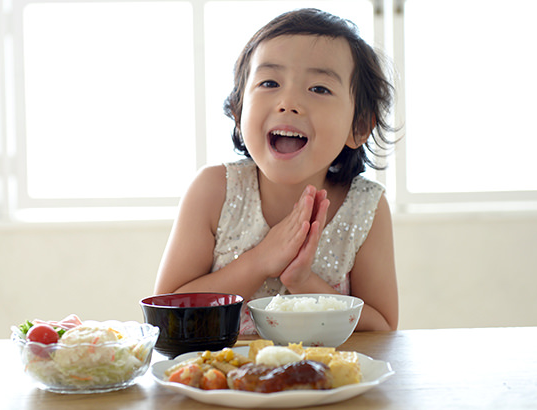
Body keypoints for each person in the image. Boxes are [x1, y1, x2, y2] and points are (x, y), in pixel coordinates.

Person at [154, 8, 399, 333]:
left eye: (319, 88)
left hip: (321, 381)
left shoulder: (365, 207)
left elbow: (381, 328)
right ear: (239, 111)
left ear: (359, 126)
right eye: (270, 82)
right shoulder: (213, 190)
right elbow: (165, 314)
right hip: (221, 380)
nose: (288, 102)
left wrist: (302, 281)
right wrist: (260, 260)